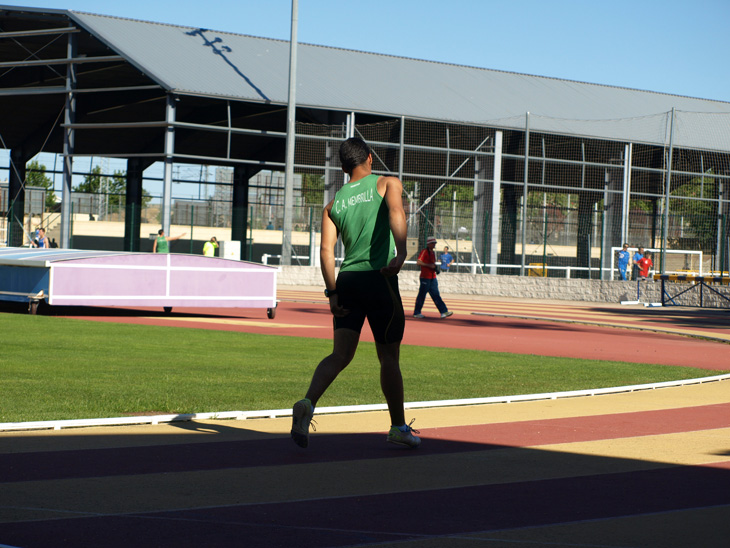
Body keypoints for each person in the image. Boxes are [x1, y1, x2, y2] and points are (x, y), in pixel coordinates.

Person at [290, 137, 420, 450]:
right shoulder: (387, 183)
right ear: (370, 159)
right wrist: (401, 253)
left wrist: (332, 292)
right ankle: (398, 428)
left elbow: (325, 251)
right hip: (379, 278)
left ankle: (307, 402)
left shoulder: (333, 205)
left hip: (347, 281)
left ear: (343, 167)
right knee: (388, 357)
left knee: (340, 354)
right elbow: (396, 214)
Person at [413, 236, 453, 319]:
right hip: (425, 277)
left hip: (432, 277)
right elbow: (418, 262)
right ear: (429, 244)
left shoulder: (432, 253)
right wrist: (429, 265)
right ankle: (417, 312)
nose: (435, 244)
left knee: (436, 295)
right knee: (422, 295)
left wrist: (435, 269)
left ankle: (443, 312)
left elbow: (432, 264)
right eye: (433, 243)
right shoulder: (424, 251)